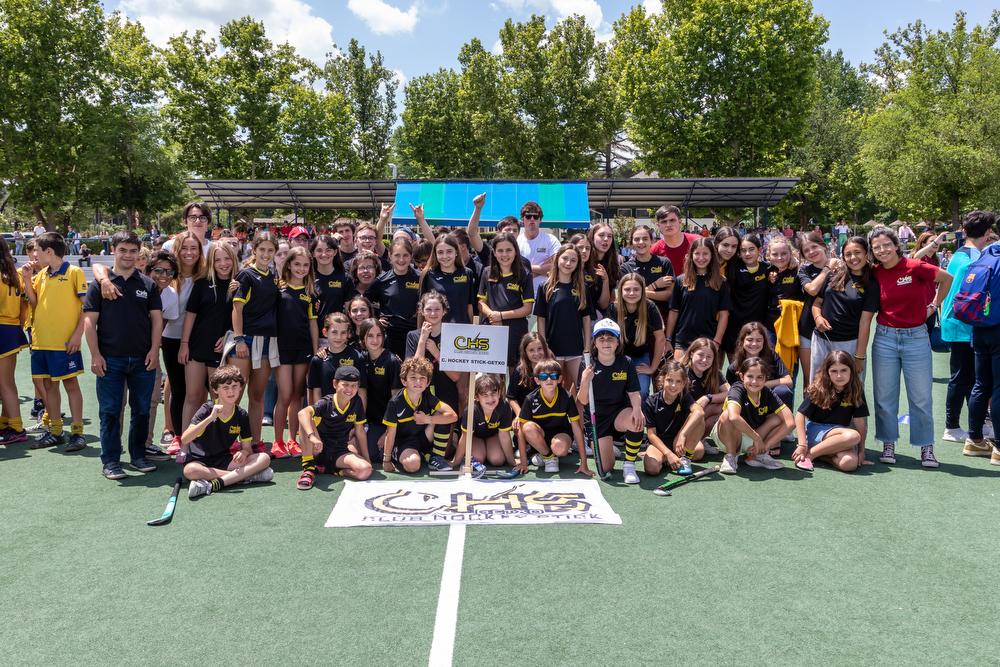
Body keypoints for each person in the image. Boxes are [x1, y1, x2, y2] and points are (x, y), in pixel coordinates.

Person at [869, 227, 953, 468]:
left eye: (886, 245)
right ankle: (888, 443)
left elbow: (947, 279)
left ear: (896, 245)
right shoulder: (874, 273)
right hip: (885, 338)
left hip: (916, 337)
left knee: (921, 397)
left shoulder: (914, 266)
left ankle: (926, 447)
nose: (882, 250)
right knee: (884, 396)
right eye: (877, 247)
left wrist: (934, 305)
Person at [82, 231, 163, 480]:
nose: (128, 255)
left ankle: (138, 455)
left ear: (139, 253)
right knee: (110, 411)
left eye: (132, 251)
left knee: (140, 411)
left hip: (142, 360)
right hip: (110, 360)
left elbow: (157, 321)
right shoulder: (99, 284)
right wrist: (95, 355)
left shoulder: (148, 284)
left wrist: (153, 351)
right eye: (123, 250)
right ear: (114, 251)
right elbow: (89, 322)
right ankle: (111, 461)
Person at [22, 232, 87, 451]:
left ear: (49, 252)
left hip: (64, 343)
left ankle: (77, 432)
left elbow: (86, 308)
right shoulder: (40, 275)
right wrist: (26, 280)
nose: (34, 255)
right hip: (41, 342)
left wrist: (77, 335)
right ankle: (56, 430)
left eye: (37, 251)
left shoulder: (74, 272)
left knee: (70, 385)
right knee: (49, 385)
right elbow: (34, 303)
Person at [940, 212, 995, 446]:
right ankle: (952, 426)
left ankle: (975, 423)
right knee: (963, 378)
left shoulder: (961, 255)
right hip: (963, 325)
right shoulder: (976, 258)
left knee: (970, 378)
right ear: (987, 233)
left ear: (964, 230)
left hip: (958, 323)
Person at [181, 366, 274, 499]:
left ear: (241, 387)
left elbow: (247, 448)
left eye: (235, 386)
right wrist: (210, 418)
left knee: (264, 458)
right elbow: (185, 439)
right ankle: (242, 477)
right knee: (189, 471)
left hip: (225, 460)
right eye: (225, 387)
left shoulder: (241, 415)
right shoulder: (207, 409)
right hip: (200, 461)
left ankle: (213, 484)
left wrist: (243, 452)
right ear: (215, 389)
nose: (231, 391)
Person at [178, 242, 239, 437]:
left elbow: (242, 315)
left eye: (227, 259)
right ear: (211, 262)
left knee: (219, 398)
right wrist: (184, 344)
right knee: (193, 395)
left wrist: (229, 334)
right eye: (218, 259)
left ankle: (217, 442)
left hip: (219, 350)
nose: (223, 264)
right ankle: (186, 443)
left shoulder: (238, 285)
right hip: (196, 347)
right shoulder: (202, 283)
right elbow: (190, 315)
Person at [577, 319, 644, 483]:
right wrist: (585, 380)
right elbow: (582, 400)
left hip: (619, 413)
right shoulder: (587, 364)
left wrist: (637, 409)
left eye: (610, 338)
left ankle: (629, 465)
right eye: (601, 338)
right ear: (595, 342)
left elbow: (634, 392)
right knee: (606, 467)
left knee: (637, 419)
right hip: (597, 417)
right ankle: (605, 446)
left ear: (617, 341)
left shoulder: (626, 362)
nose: (606, 342)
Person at [230, 231, 280, 449]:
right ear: (254, 249)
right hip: (246, 340)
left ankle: (255, 441)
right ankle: (229, 441)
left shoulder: (274, 277)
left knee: (257, 395)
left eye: (270, 250)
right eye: (262, 250)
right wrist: (240, 339)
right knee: (233, 394)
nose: (266, 254)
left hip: (267, 342)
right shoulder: (245, 275)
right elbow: (236, 309)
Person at [272, 247, 319, 459]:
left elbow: (312, 324)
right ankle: (278, 441)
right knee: (284, 395)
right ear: (289, 264)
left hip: (303, 349)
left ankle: (293, 439)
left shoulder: (310, 294)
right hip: (281, 349)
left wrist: (316, 348)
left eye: (305, 265)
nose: (301, 268)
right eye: (297, 264)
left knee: (297, 396)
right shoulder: (277, 289)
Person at [810, 236, 878, 381]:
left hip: (849, 344)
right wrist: (818, 318)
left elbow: (865, 323)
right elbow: (816, 304)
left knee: (850, 393)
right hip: (822, 341)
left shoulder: (871, 284)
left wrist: (859, 356)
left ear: (867, 253)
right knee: (818, 389)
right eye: (848, 254)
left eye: (857, 252)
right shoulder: (833, 275)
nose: (853, 257)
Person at [406, 292, 460, 470]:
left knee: (445, 449)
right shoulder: (413, 336)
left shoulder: (452, 335)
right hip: (421, 395)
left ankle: (436, 455)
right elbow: (413, 369)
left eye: (437, 309)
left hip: (445, 393)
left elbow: (455, 376)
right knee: (420, 431)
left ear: (444, 311)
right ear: (422, 311)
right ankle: (423, 452)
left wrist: (437, 352)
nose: (433, 313)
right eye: (428, 309)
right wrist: (422, 341)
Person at [295, 365, 371, 490]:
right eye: (345, 384)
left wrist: (367, 459)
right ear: (335, 384)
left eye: (354, 385)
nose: (349, 389)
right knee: (307, 418)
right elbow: (302, 413)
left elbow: (360, 431)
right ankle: (308, 469)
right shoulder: (326, 402)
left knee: (365, 470)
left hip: (339, 451)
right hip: (318, 448)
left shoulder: (357, 402)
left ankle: (333, 471)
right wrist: (312, 437)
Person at [792, 350, 869, 473]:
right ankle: (809, 455)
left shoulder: (856, 390)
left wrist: (861, 452)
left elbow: (860, 422)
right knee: (853, 436)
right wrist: (802, 444)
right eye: (834, 371)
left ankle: (821, 455)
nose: (839, 376)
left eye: (844, 370)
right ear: (827, 372)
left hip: (840, 436)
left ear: (851, 371)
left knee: (849, 463)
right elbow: (800, 415)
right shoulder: (819, 388)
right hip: (817, 430)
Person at [715, 357, 794, 474]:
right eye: (750, 376)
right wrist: (757, 439)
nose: (754, 382)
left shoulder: (767, 392)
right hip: (727, 435)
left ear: (765, 378)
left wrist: (765, 446)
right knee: (727, 415)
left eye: (759, 377)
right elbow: (733, 417)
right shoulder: (737, 388)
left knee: (778, 418)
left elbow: (790, 422)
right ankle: (731, 456)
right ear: (742, 377)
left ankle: (758, 454)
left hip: (751, 436)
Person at [380, 357, 458, 475]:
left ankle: (435, 458)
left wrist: (427, 419)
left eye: (422, 378)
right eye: (413, 377)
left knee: (442, 414)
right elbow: (390, 434)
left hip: (423, 438)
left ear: (427, 383)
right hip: (404, 442)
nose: (418, 382)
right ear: (404, 381)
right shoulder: (395, 402)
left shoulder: (427, 396)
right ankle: (418, 455)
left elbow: (453, 416)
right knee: (413, 465)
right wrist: (386, 459)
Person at [159, 232, 202, 441]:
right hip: (171, 339)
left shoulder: (204, 276)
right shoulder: (167, 277)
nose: (189, 253)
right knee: (178, 389)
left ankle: (198, 435)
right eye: (184, 248)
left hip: (199, 339)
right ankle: (178, 435)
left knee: (198, 392)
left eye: (194, 248)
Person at [966, 211, 1000, 463]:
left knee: (981, 384)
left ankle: (974, 439)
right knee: (998, 388)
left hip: (979, 328)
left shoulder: (985, 255)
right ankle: (999, 446)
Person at [534, 244, 591, 391]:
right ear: (557, 259)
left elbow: (586, 319)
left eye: (573, 260)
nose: (568, 263)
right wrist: (544, 346)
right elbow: (541, 319)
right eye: (565, 258)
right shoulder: (545, 287)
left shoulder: (582, 288)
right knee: (554, 389)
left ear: (578, 264)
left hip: (576, 349)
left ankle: (578, 415)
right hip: (553, 349)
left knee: (580, 389)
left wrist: (587, 346)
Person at [517, 358, 589, 476]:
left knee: (559, 448)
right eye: (544, 376)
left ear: (559, 379)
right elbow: (520, 430)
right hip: (540, 437)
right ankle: (548, 456)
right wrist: (523, 463)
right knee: (527, 427)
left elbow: (577, 428)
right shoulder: (530, 399)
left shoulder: (567, 397)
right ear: (537, 380)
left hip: (561, 435)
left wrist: (584, 463)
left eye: (553, 376)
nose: (549, 379)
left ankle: (549, 455)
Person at [665, 237, 730, 359]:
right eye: (697, 254)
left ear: (712, 255)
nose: (701, 258)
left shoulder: (721, 282)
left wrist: (717, 341)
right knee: (681, 376)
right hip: (682, 342)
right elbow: (674, 312)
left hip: (708, 341)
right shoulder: (681, 281)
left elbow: (724, 315)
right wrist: (668, 339)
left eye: (705, 253)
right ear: (691, 255)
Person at [478, 231, 534, 368]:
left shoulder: (524, 274)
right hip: (492, 328)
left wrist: (501, 316)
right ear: (494, 253)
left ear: (516, 251)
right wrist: (492, 315)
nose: (504, 254)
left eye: (509, 250)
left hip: (516, 331)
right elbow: (481, 302)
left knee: (515, 371)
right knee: (494, 373)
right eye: (500, 251)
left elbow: (527, 309)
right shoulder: (487, 272)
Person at [643, 360, 706, 477]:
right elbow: (651, 435)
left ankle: (684, 459)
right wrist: (668, 454)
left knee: (699, 451)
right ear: (662, 379)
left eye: (678, 382)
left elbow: (699, 412)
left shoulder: (685, 397)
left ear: (684, 384)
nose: (673, 385)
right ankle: (669, 459)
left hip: (678, 442)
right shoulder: (650, 402)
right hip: (660, 443)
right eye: (669, 380)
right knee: (652, 468)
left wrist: (682, 435)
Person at [606, 273, 665, 399]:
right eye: (627, 289)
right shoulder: (613, 308)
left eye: (636, 289)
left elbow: (660, 339)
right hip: (617, 357)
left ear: (643, 291)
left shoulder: (650, 307)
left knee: (642, 392)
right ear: (620, 290)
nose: (631, 293)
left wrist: (652, 368)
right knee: (617, 392)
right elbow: (607, 339)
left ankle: (640, 418)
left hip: (640, 357)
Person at [367, 238, 420, 358]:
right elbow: (364, 301)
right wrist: (375, 319)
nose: (401, 260)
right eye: (397, 255)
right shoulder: (382, 280)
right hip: (390, 335)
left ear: (411, 256)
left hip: (413, 334)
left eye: (405, 255)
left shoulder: (420, 278)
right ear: (390, 256)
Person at [358, 317, 401, 462]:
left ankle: (397, 446)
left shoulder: (392, 361)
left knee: (371, 454)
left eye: (378, 335)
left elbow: (396, 400)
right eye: (370, 335)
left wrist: (388, 432)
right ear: (363, 338)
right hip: (368, 420)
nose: (374, 340)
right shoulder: (360, 359)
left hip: (387, 422)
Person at [455, 374, 516, 473]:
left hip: (493, 436)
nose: (490, 399)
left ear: (499, 393)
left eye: (493, 393)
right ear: (477, 397)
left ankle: (489, 450)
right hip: (476, 437)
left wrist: (512, 461)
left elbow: (504, 435)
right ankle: (480, 451)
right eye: (485, 395)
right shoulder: (472, 410)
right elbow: (465, 436)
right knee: (478, 458)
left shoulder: (504, 407)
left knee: (497, 460)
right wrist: (456, 462)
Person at [722, 234, 771, 359]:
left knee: (755, 368)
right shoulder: (732, 267)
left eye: (751, 249)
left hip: (757, 328)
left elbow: (787, 266)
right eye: (743, 250)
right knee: (735, 370)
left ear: (759, 250)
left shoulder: (768, 268)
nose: (747, 253)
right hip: (734, 327)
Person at [0, 236, 28, 444]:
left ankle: (16, 427)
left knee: (4, 383)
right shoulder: (12, 274)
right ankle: (8, 421)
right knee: (6, 382)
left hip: (2, 328)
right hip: (11, 328)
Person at [797, 232, 834, 386]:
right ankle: (809, 410)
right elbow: (812, 290)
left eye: (814, 246)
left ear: (824, 246)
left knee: (835, 376)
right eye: (806, 250)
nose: (811, 252)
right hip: (807, 329)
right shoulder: (804, 271)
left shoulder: (841, 266)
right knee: (811, 378)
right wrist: (826, 269)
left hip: (834, 330)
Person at [307, 313, 366, 404]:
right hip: (325, 415)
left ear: (348, 334)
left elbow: (361, 391)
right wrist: (316, 415)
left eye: (343, 332)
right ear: (325, 332)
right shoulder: (318, 360)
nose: (339, 337)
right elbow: (315, 391)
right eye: (334, 332)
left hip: (351, 415)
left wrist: (361, 416)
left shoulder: (357, 357)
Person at [682, 338, 729, 448]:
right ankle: (685, 438)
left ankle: (700, 439)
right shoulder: (682, 372)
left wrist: (708, 397)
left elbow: (730, 392)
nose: (704, 360)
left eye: (709, 357)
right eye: (701, 355)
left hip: (700, 414)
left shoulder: (713, 373)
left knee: (725, 407)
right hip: (682, 418)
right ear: (692, 353)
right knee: (698, 453)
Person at [419, 233, 476, 324]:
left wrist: (470, 330)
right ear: (435, 254)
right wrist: (422, 334)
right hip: (436, 331)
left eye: (449, 251)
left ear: (456, 252)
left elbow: (469, 306)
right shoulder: (428, 274)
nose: (445, 256)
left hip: (461, 331)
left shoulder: (467, 273)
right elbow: (422, 308)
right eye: (440, 252)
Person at [622, 225, 674, 321]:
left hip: (660, 318)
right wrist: (655, 285)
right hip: (634, 319)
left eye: (645, 238)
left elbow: (669, 295)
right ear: (631, 243)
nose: (641, 242)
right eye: (637, 239)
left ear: (652, 241)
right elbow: (625, 296)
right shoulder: (625, 268)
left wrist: (640, 293)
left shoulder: (664, 263)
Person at [517, 201, 560, 297]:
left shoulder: (551, 239)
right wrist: (543, 267)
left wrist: (527, 269)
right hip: (521, 296)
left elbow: (557, 265)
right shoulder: (516, 241)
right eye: (528, 216)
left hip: (546, 294)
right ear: (522, 219)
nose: (532, 219)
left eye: (535, 217)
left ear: (540, 220)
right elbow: (513, 268)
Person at [311, 234, 355, 327]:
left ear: (335, 252)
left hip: (337, 335)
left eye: (328, 250)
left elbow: (349, 311)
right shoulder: (307, 278)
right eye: (319, 250)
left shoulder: (345, 279)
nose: (324, 254)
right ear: (313, 253)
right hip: (311, 334)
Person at [650, 205, 699, 276]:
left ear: (680, 222)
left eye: (672, 220)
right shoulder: (654, 251)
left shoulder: (698, 242)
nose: (668, 224)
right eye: (664, 222)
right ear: (658, 225)